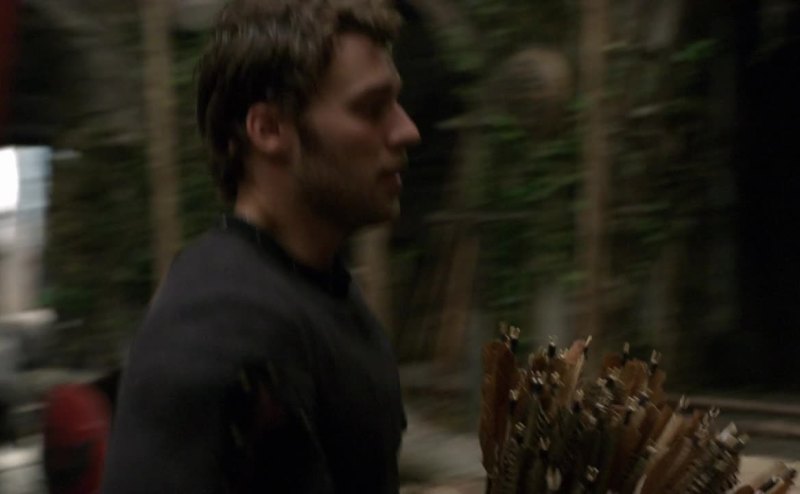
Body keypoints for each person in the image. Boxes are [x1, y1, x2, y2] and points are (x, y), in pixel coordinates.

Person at [101, 0, 420, 492]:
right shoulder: (216, 325)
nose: (406, 131)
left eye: (395, 103)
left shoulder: (325, 295)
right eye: (371, 108)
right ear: (269, 130)